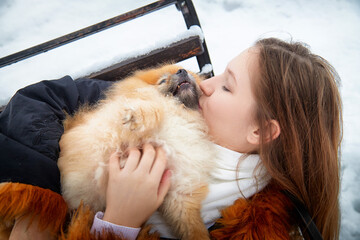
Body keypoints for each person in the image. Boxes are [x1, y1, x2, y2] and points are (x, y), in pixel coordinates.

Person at [0, 37, 342, 240]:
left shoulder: (251, 228)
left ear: (262, 131)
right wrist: (40, 207)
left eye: (227, 85)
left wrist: (120, 223)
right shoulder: (166, 100)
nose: (205, 82)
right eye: (220, 71)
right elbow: (39, 99)